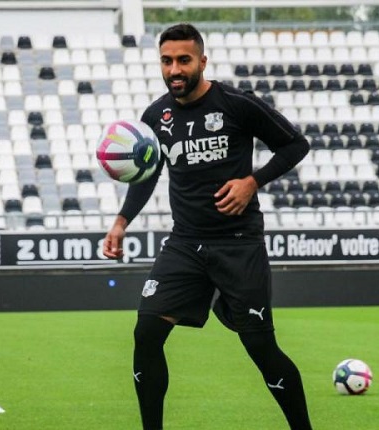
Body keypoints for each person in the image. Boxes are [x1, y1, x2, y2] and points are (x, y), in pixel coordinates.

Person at [103, 23, 313, 430]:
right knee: (146, 333)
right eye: (167, 61)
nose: (174, 69)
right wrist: (121, 221)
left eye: (184, 60)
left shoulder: (236, 104)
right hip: (185, 244)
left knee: (260, 346)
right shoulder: (156, 116)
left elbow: (295, 144)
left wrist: (252, 181)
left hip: (238, 244)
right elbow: (147, 174)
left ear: (202, 60)